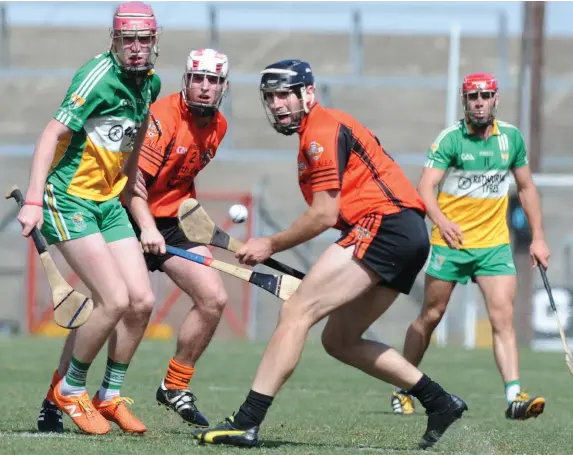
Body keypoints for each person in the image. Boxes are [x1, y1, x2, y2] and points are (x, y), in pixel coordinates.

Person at [193, 59, 468, 450]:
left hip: (384, 226)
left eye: (285, 94)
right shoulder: (318, 131)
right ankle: (439, 402)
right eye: (270, 96)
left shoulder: (320, 131)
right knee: (339, 339)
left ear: (308, 92)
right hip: (404, 233)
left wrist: (269, 243)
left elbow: (324, 214)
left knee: (296, 312)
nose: (277, 103)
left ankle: (246, 422)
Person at [28, 2, 164, 435]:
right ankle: (70, 390)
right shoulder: (97, 77)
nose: (137, 48)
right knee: (114, 301)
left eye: (145, 40)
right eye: (129, 40)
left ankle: (108, 396)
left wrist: (128, 180)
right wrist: (33, 199)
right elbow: (52, 133)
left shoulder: (150, 83)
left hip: (107, 203)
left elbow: (138, 130)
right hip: (68, 201)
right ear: (114, 40)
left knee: (141, 302)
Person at [390, 73, 550, 421]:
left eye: (485, 95)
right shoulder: (450, 140)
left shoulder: (511, 139)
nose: (479, 102)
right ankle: (403, 387)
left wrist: (538, 237)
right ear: (465, 101)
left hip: (493, 245)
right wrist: (441, 222)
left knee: (502, 317)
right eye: (473, 96)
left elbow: (526, 189)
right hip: (452, 243)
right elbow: (425, 188)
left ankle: (514, 397)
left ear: (496, 99)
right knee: (431, 315)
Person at [128, 48, 230, 428]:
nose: (205, 87)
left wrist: (194, 219)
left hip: (172, 224)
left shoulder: (219, 126)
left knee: (213, 298)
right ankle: (62, 393)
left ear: (224, 87)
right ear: (185, 80)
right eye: (198, 78)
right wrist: (146, 227)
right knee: (117, 307)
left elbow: (182, 178)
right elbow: (132, 182)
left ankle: (174, 386)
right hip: (129, 217)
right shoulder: (163, 118)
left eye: (214, 80)